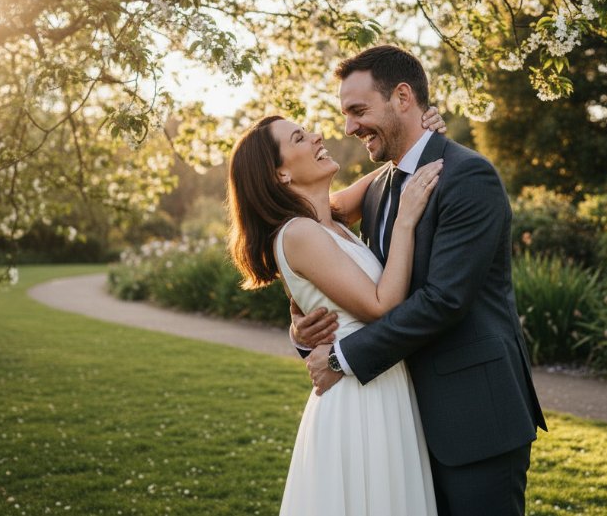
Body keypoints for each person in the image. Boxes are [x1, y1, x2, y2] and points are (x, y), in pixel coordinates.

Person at [293, 45, 547, 516]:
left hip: (475, 419)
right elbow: (320, 247)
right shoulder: (378, 188)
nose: (348, 127)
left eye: (358, 110)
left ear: (403, 97)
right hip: (401, 425)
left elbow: (444, 300)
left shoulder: (467, 176)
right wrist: (303, 328)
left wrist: (342, 359)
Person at [227, 109, 447, 515]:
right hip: (359, 400)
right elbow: (381, 306)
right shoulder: (299, 233)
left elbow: (394, 171)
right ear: (280, 175)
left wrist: (420, 132)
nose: (316, 136)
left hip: (380, 385)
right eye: (299, 138)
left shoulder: (329, 218)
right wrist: (404, 222)